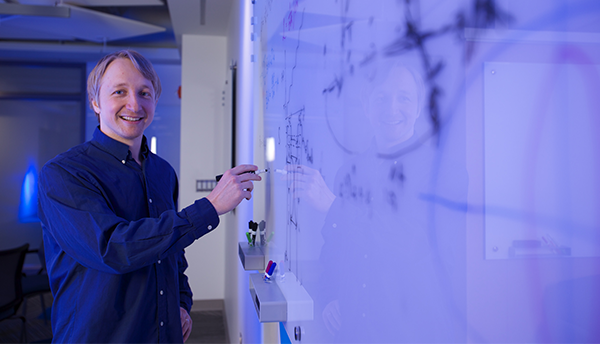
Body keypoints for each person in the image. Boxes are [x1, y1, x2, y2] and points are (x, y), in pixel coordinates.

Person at [37, 49, 261, 343]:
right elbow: (114, 248)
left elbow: (172, 253)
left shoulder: (163, 172)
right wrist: (209, 207)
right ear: (95, 102)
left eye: (145, 92)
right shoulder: (64, 174)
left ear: (155, 100)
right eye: (119, 91)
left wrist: (181, 303)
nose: (134, 103)